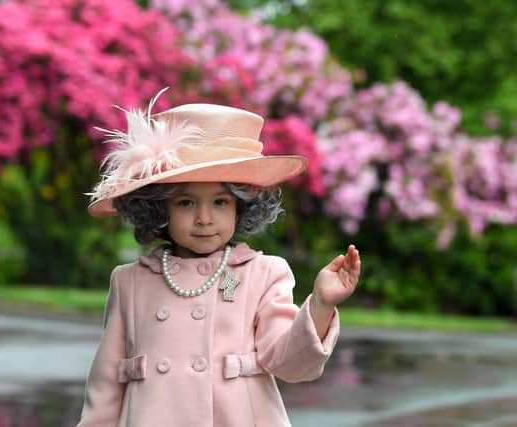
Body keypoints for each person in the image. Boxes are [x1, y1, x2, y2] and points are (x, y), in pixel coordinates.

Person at [77, 90, 361, 427]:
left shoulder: (264, 274)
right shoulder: (130, 281)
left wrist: (321, 307)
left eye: (220, 202)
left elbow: (289, 363)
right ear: (159, 207)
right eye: (185, 202)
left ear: (242, 207)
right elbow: (106, 383)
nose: (203, 217)